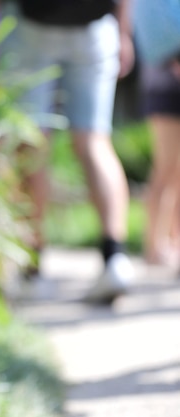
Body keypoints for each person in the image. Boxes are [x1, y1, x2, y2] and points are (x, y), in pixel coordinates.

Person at [0, 0, 135, 303]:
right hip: (96, 27)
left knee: (33, 144)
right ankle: (115, 258)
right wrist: (124, 31)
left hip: (32, 27)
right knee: (95, 141)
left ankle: (32, 266)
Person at [131, 0, 180, 268]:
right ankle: (154, 245)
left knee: (174, 169)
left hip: (160, 74)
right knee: (167, 166)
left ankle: (171, 241)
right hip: (166, 78)